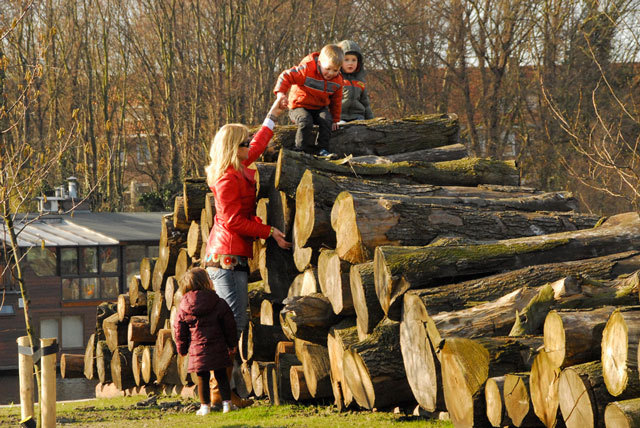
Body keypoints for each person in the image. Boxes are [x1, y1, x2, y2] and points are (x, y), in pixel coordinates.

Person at [203, 97, 292, 407]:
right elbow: (232, 221)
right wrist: (269, 231)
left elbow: (259, 144)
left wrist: (273, 114)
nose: (249, 146)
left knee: (236, 323)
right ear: (232, 147)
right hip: (225, 257)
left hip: (234, 256)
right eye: (243, 142)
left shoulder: (239, 165)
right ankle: (221, 392)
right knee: (232, 323)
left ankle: (226, 392)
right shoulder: (226, 179)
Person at [173, 267, 238, 415]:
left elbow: (179, 330)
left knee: (202, 378)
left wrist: (182, 349)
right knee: (221, 376)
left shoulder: (184, 306)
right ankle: (227, 405)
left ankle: (204, 407)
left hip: (198, 349)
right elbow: (229, 324)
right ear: (206, 282)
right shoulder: (218, 302)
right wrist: (232, 344)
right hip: (218, 346)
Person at [274, 44, 344, 158]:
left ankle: (322, 149)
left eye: (335, 70)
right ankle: (299, 150)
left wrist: (335, 120)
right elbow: (285, 76)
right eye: (328, 69)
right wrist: (281, 93)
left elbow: (337, 101)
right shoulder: (307, 69)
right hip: (299, 106)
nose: (331, 73)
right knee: (306, 120)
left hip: (319, 108)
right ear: (320, 63)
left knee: (327, 120)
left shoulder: (338, 81)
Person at [337, 40, 374, 123]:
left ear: (359, 62)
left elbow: (366, 104)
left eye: (354, 60)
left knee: (361, 129)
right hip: (339, 117)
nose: (350, 63)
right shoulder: (335, 79)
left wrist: (371, 120)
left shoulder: (360, 81)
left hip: (358, 116)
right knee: (342, 128)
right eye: (346, 60)